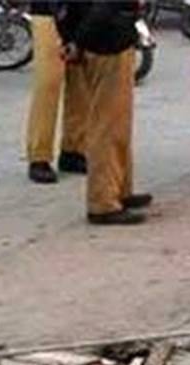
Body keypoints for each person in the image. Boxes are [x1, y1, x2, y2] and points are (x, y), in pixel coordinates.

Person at [56, 0, 152, 225]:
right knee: (108, 126)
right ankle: (103, 201)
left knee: (118, 124)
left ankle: (119, 188)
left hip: (100, 39)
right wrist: (78, 41)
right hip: (108, 42)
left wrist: (72, 40)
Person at [24, 0, 89, 184]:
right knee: (48, 84)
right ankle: (39, 156)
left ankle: (74, 149)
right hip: (48, 11)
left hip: (83, 12)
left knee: (81, 85)